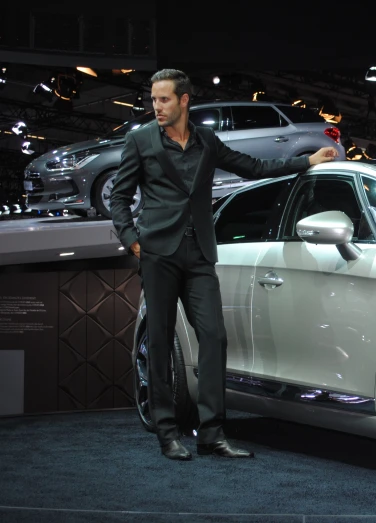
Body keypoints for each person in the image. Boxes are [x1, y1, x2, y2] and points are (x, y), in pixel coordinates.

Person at [110, 69, 339, 461]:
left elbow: (254, 168)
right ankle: (167, 433)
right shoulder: (140, 139)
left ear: (184, 100)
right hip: (158, 253)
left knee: (214, 337)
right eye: (153, 100)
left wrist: (306, 161)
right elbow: (119, 196)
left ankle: (212, 433)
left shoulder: (207, 142)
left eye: (164, 99)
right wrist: (132, 240)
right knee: (162, 342)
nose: (156, 107)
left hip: (199, 252)